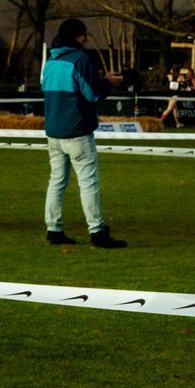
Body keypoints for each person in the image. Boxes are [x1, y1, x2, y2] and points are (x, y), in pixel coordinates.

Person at [41, 18, 126, 247]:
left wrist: (96, 79)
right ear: (77, 36)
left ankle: (54, 228)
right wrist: (109, 83)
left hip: (53, 132)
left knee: (57, 181)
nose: (86, 38)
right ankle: (97, 230)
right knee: (88, 182)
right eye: (84, 35)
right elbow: (92, 95)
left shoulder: (50, 61)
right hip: (77, 130)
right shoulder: (79, 59)